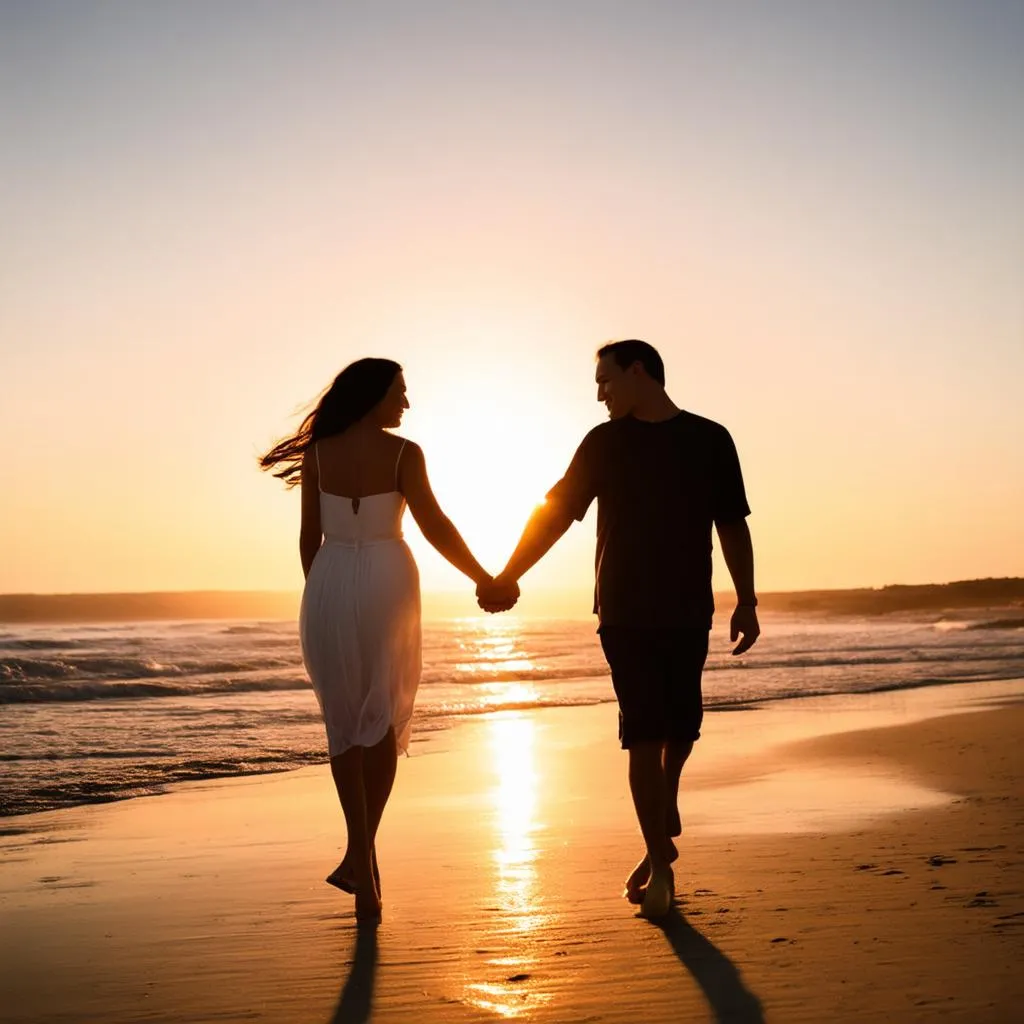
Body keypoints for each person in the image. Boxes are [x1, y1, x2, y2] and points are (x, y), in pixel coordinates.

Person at [477, 339, 759, 919]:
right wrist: (508, 574)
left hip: (688, 608)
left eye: (605, 381)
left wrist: (747, 599)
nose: (600, 394)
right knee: (644, 735)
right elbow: (555, 513)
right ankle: (660, 865)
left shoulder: (710, 439)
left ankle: (663, 814)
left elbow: (731, 522)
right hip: (624, 612)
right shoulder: (603, 443)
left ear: (639, 373)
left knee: (683, 728)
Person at [262, 358, 493, 925]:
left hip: (329, 581)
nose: (406, 404)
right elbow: (434, 524)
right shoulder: (404, 454)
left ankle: (359, 856)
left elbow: (307, 541)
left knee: (343, 725)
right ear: (374, 396)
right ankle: (362, 857)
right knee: (383, 722)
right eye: (400, 392)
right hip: (390, 578)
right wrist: (483, 578)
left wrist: (325, 595)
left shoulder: (318, 453)